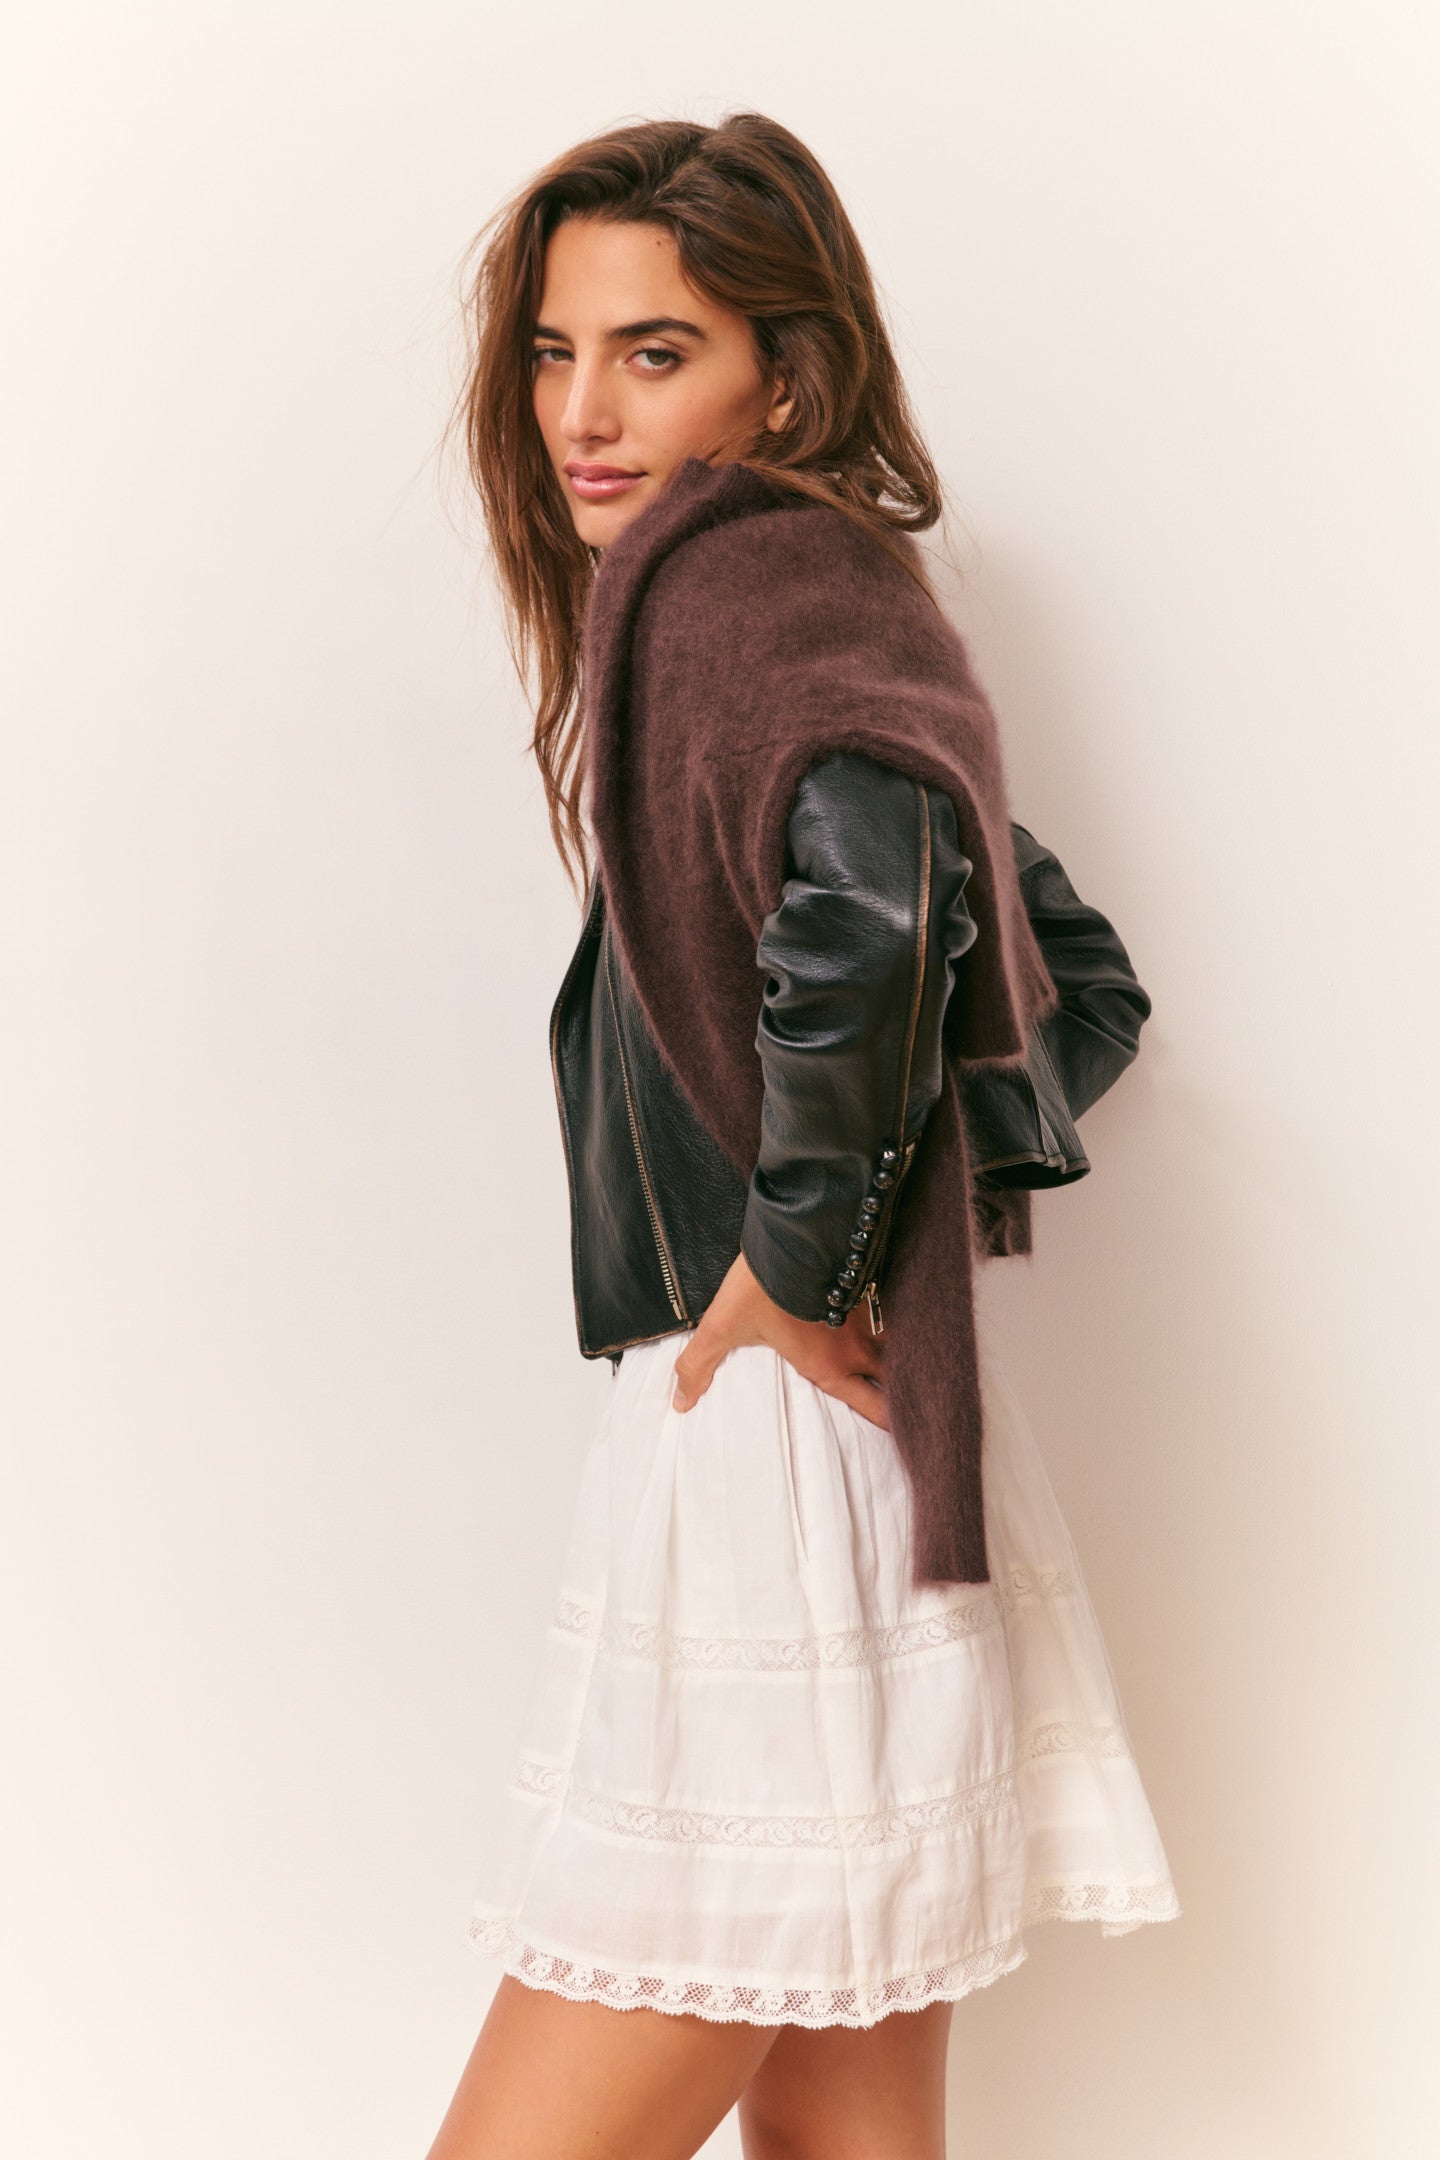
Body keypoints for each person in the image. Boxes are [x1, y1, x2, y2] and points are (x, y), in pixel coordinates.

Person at [426, 111, 1179, 2160]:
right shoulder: (775, 587)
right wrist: (880, 1223)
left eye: (654, 352)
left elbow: (885, 918)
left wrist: (798, 1255)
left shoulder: (749, 576)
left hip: (773, 1441)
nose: (584, 413)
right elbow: (1068, 972)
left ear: (787, 375)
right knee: (849, 2132)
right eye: (556, 352)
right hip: (841, 1425)